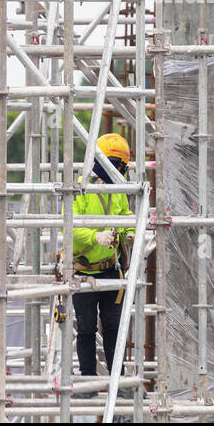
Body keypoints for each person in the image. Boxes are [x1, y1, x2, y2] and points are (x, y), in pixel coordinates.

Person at [72, 133, 135, 377]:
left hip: (110, 269)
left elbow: (124, 214)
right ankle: (88, 379)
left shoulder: (116, 188)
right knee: (86, 329)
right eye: (118, 165)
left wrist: (129, 231)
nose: (120, 171)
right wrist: (94, 237)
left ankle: (117, 381)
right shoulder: (79, 188)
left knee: (113, 328)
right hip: (84, 271)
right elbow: (72, 227)